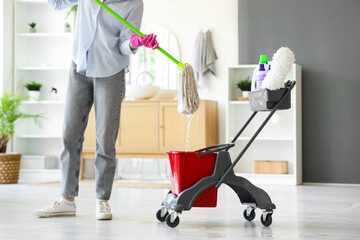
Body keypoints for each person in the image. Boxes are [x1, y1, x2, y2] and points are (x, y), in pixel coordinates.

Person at [33, 0, 159, 220]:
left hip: (110, 72)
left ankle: (102, 200)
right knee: (70, 134)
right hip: (80, 67)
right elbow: (57, 4)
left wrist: (134, 42)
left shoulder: (133, 4)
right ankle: (67, 199)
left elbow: (123, 43)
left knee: (105, 140)